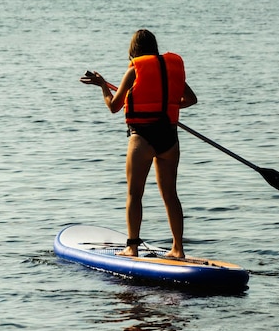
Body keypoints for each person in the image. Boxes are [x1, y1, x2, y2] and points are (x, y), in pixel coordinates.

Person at [80, 29, 197, 258]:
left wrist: (103, 85)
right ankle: (178, 249)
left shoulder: (134, 69)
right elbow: (190, 99)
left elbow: (114, 106)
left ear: (134, 50)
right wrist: (166, 108)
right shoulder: (169, 68)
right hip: (169, 138)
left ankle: (132, 247)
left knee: (135, 194)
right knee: (170, 194)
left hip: (142, 138)